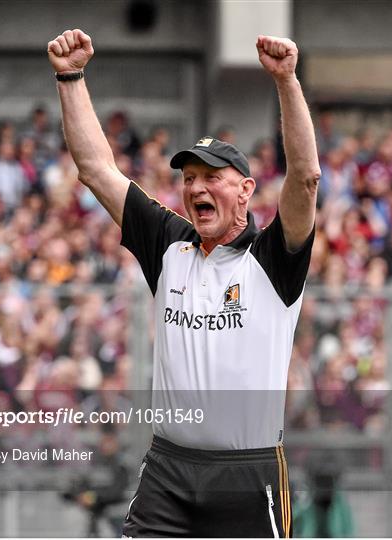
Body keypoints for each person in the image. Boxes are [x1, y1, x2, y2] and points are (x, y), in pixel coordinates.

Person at [47, 29, 320, 538]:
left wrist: (286, 81)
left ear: (245, 191)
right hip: (168, 469)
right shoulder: (171, 244)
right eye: (189, 176)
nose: (196, 186)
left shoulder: (273, 259)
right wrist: (70, 77)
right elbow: (95, 169)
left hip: (249, 474)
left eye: (211, 176)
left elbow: (304, 177)